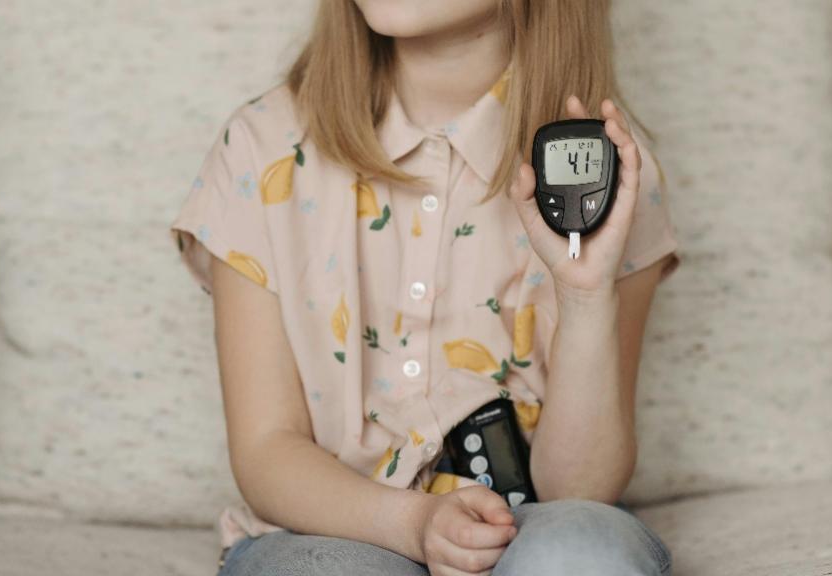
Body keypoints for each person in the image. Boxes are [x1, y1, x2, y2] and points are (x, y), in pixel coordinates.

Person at [169, 0, 680, 574]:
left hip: (532, 522)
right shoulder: (262, 148)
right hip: (330, 527)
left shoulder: (608, 170)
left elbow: (579, 489)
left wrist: (585, 297)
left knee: (581, 553)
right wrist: (414, 524)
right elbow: (267, 452)